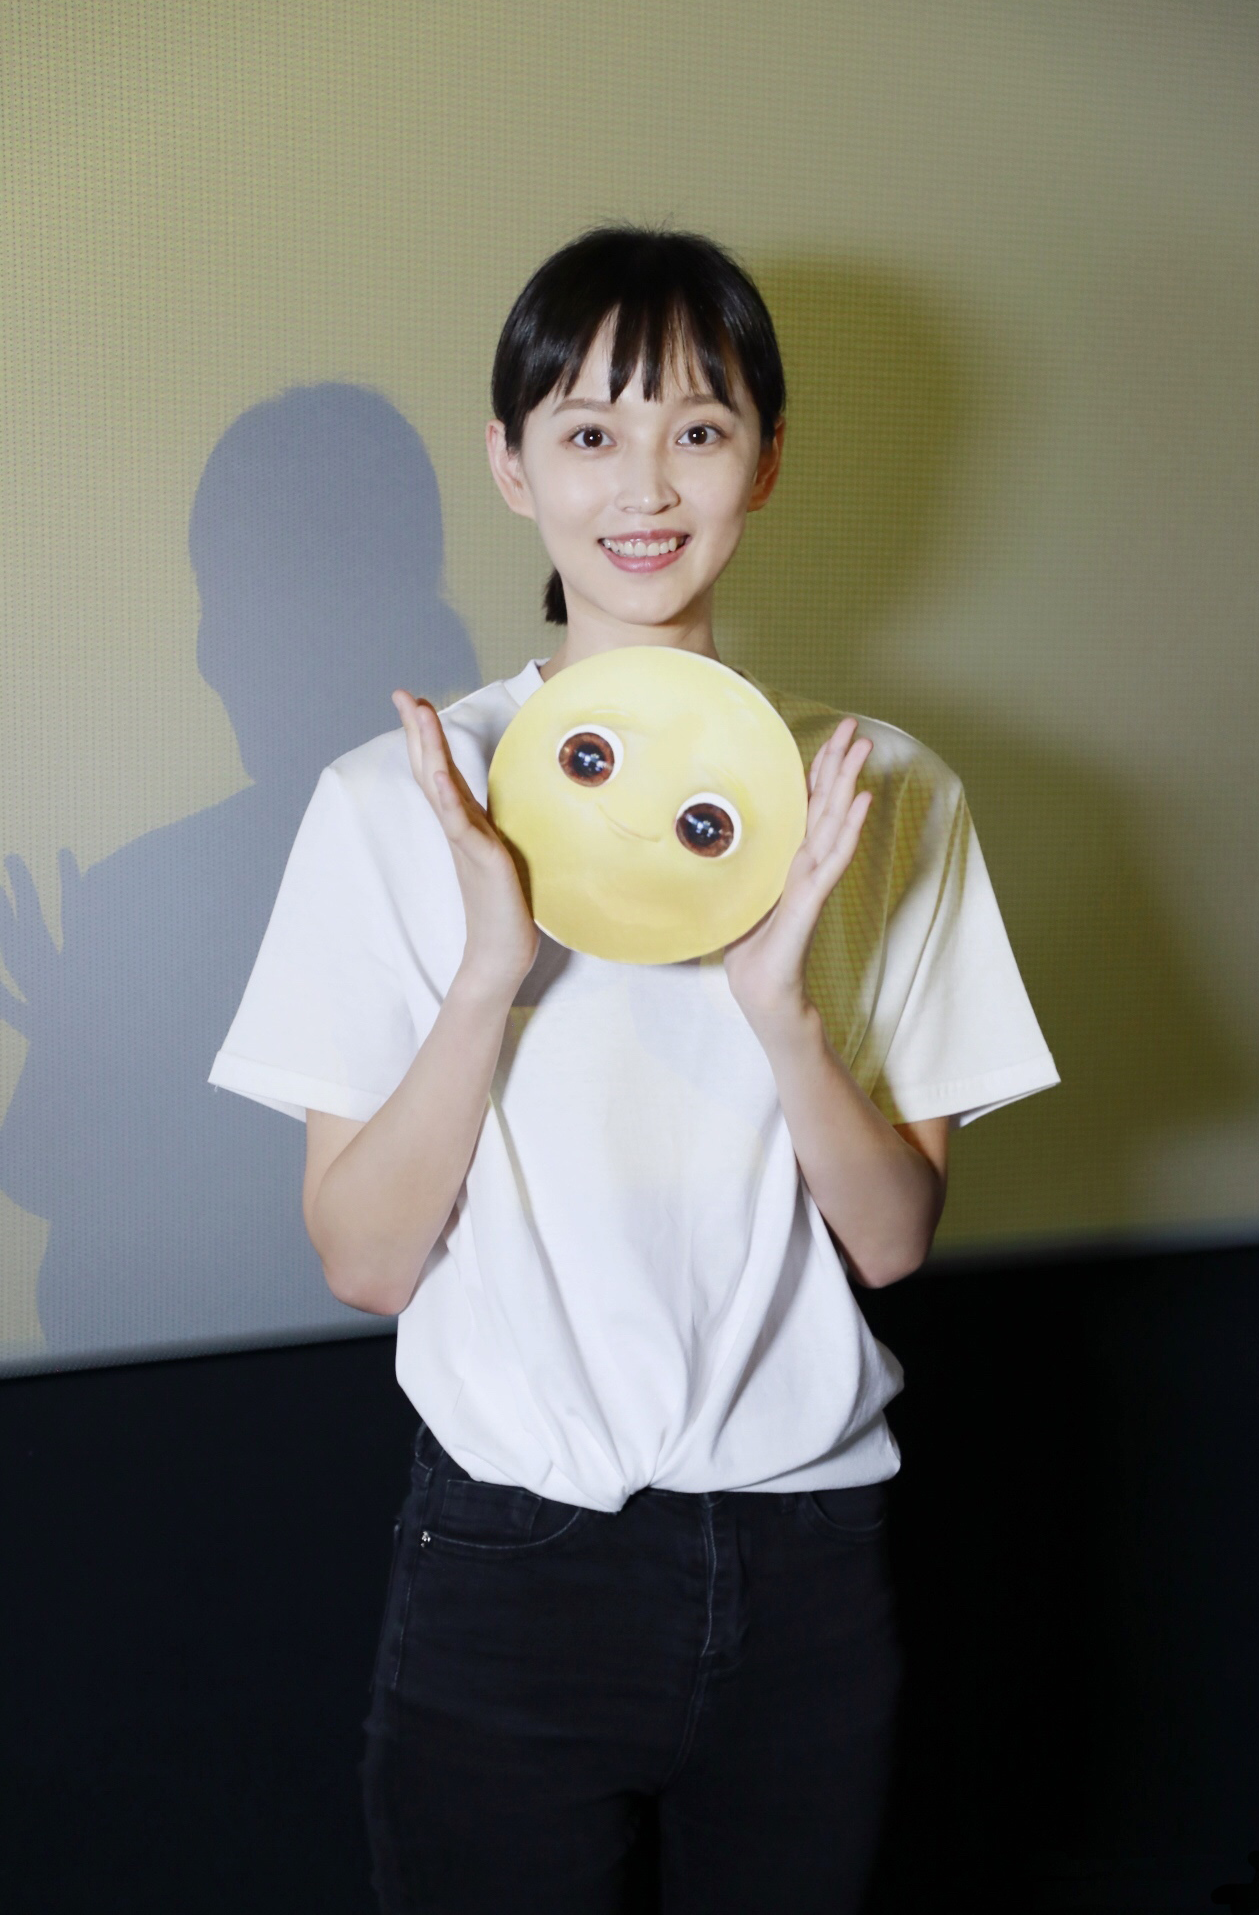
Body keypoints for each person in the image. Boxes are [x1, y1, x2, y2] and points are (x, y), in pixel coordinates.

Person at [210, 227, 1059, 1913]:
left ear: (766, 458)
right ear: (511, 465)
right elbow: (365, 1261)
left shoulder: (885, 793)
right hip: (509, 1559)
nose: (645, 483)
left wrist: (777, 1004)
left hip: (813, 1556)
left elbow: (891, 1241)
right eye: (591, 430)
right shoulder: (395, 800)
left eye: (699, 425)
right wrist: (492, 973)